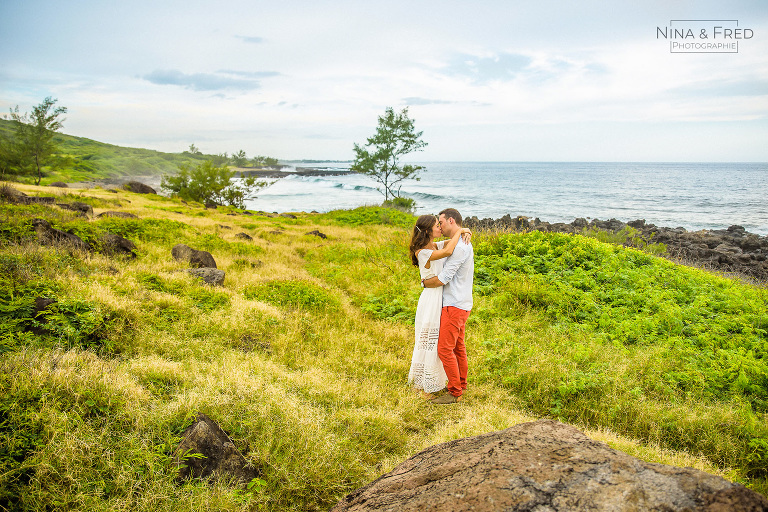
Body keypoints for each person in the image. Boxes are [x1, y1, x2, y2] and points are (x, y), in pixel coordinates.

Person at [407, 214, 471, 399]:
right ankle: (425, 386)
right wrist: (460, 230)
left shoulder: (435, 245)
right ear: (428, 230)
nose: (440, 228)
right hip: (431, 300)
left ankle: (430, 382)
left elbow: (450, 243)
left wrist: (464, 231)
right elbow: (448, 251)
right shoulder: (423, 251)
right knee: (428, 342)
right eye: (437, 225)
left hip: (440, 298)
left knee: (435, 343)